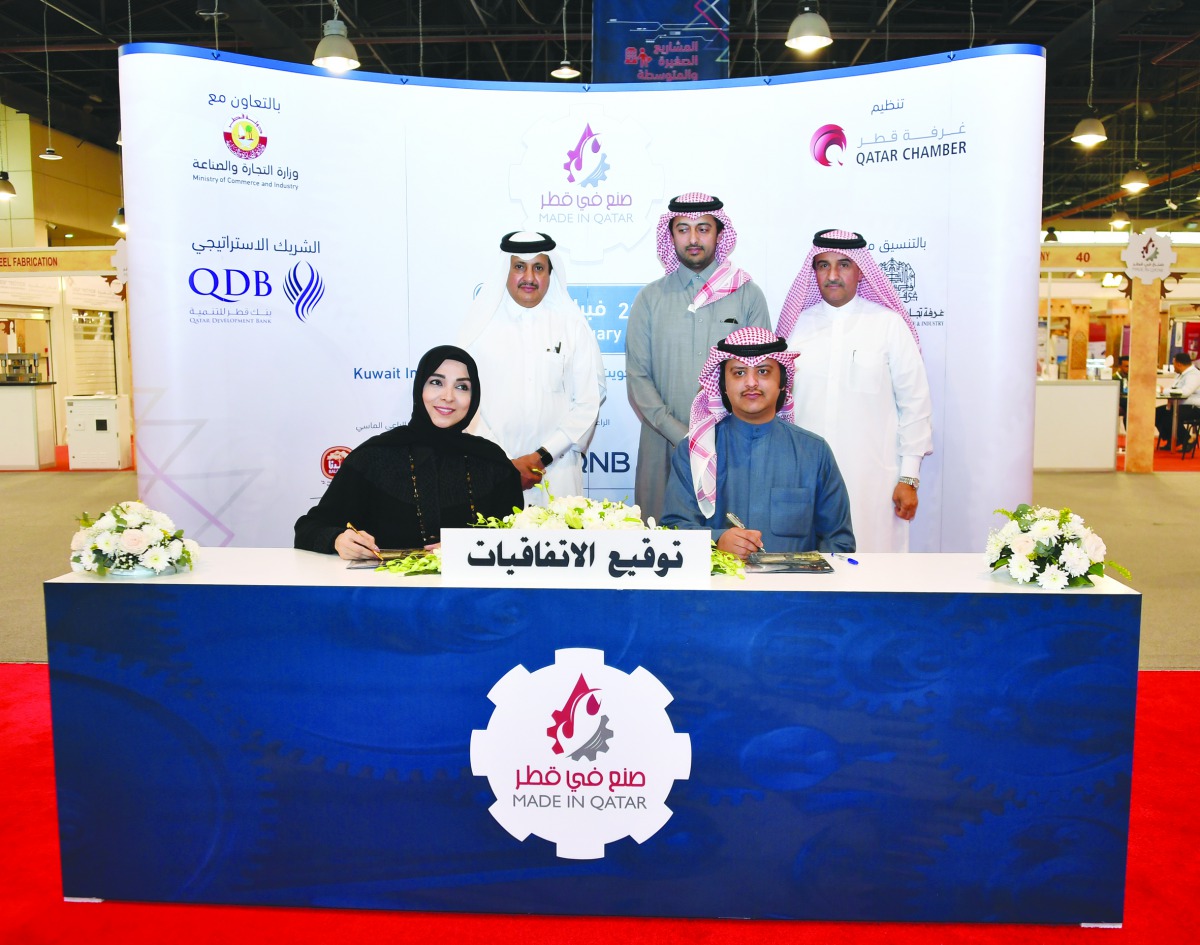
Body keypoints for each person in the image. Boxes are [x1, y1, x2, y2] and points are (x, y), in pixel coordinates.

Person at [775, 229, 933, 552]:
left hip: (871, 478)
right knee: (806, 568)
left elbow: (915, 404)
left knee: (873, 571)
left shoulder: (888, 325)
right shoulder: (796, 327)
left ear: (861, 270)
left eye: (844, 264)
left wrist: (909, 477)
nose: (832, 275)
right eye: (823, 265)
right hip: (804, 479)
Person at [294, 345, 523, 559]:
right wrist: (337, 540)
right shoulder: (374, 456)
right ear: (419, 387)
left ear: (474, 399)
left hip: (472, 598)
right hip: (387, 597)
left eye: (462, 387)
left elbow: (519, 542)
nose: (448, 396)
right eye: (436, 382)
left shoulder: (493, 463)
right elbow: (309, 528)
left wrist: (469, 549)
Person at [626, 192, 771, 524]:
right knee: (661, 544)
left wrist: (718, 438)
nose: (693, 239)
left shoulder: (747, 295)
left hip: (732, 447)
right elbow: (638, 378)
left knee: (732, 548)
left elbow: (763, 374)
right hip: (663, 445)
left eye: (703, 228)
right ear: (670, 235)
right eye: (683, 229)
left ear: (719, 234)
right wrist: (683, 436)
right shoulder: (650, 299)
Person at [661, 326, 855, 559]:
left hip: (793, 591)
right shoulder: (694, 453)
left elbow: (839, 542)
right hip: (719, 589)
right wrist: (716, 541)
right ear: (723, 384)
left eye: (763, 372)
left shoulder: (814, 452)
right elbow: (673, 530)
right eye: (739, 373)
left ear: (782, 382)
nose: (751, 382)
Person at [458, 231, 605, 506]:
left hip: (556, 470)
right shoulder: (478, 330)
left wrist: (542, 456)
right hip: (489, 468)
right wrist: (504, 462)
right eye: (519, 267)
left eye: (538, 268)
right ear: (506, 270)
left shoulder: (572, 326)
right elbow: (466, 403)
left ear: (550, 273)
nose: (529, 277)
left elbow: (588, 402)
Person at [1156, 352, 1200, 449]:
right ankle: (1173, 440)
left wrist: (1166, 391)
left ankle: (1188, 439)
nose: (1173, 366)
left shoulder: (1194, 375)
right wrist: (1165, 391)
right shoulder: (1180, 375)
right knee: (1157, 413)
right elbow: (1174, 389)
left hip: (1194, 408)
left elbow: (1185, 392)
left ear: (1179, 364)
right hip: (1180, 406)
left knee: (1170, 415)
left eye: (1173, 364)